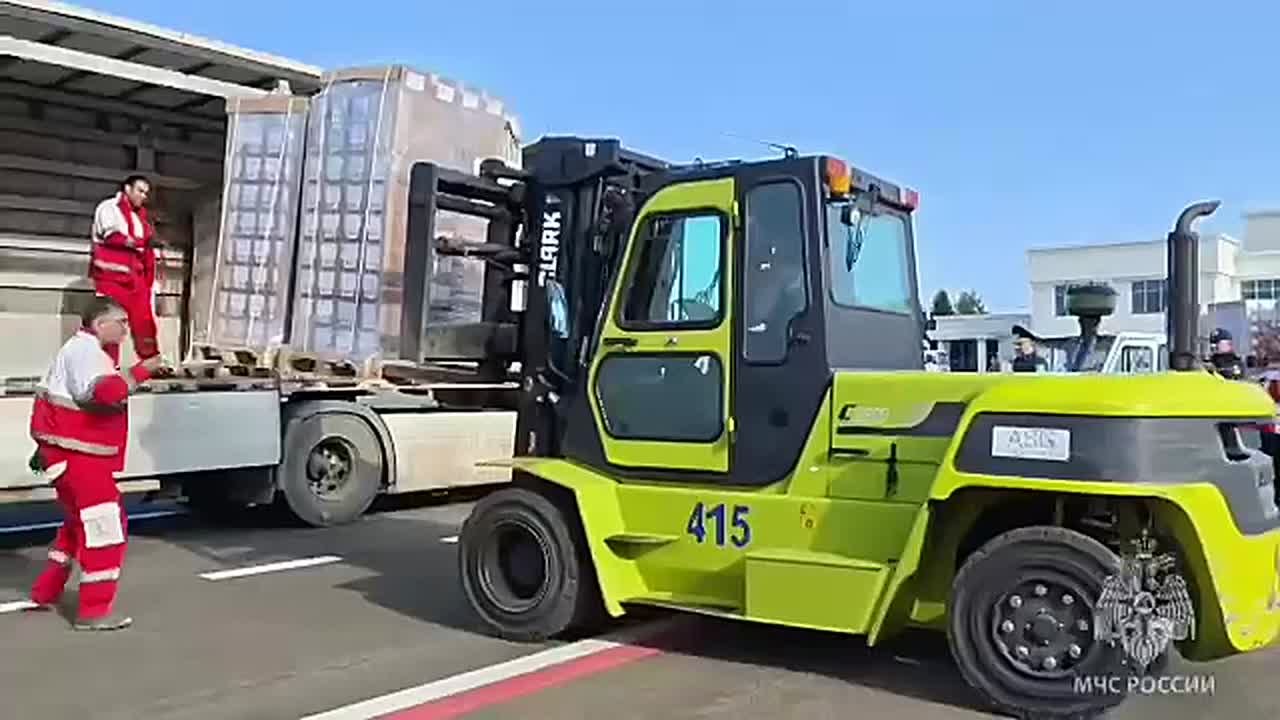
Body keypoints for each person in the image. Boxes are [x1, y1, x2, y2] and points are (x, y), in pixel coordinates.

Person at [26, 297, 164, 630]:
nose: (127, 330)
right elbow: (106, 393)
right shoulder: (88, 354)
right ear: (101, 324)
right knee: (105, 530)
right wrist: (143, 371)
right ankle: (94, 611)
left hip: (70, 454)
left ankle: (47, 591)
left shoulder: (79, 350)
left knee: (77, 525)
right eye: (122, 323)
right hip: (80, 457)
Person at [89, 175, 160, 366]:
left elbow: (145, 249)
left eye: (146, 193)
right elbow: (113, 236)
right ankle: (107, 366)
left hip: (135, 279)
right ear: (127, 189)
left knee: (144, 322)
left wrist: (148, 280)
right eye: (140, 191)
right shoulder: (109, 208)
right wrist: (135, 242)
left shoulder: (141, 218)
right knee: (111, 322)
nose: (143, 196)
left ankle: (150, 364)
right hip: (111, 277)